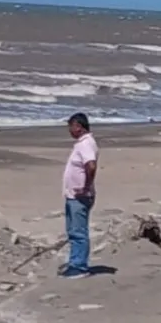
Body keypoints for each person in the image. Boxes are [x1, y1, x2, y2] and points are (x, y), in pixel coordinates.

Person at [61, 112, 99, 278]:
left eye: (71, 126)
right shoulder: (82, 144)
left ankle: (79, 267)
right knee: (73, 230)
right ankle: (75, 262)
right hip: (74, 195)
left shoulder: (86, 144)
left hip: (80, 196)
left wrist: (85, 186)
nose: (70, 130)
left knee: (78, 231)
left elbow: (91, 166)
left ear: (79, 127)